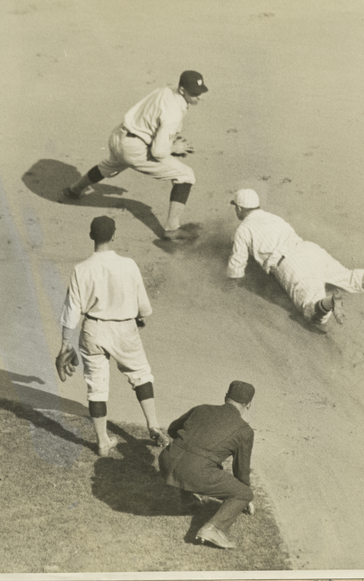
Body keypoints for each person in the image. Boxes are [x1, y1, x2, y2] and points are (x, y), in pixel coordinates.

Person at [226, 188, 364, 328]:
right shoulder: (273, 217)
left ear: (239, 208)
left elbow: (237, 266)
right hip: (309, 250)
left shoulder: (243, 229)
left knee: (312, 315)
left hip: (290, 265)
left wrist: (228, 288)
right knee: (349, 277)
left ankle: (331, 301)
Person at [58, 216, 169, 456]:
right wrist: (140, 316)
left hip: (93, 330)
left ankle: (102, 442)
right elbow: (144, 307)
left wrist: (65, 345)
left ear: (91, 236)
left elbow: (71, 312)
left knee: (96, 387)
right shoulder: (128, 264)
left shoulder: (81, 269)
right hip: (124, 327)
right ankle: (153, 425)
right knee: (140, 375)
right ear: (113, 236)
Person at [62, 71, 209, 241]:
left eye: (201, 92)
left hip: (118, 136)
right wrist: (174, 147)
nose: (199, 97)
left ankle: (74, 190)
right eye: (194, 93)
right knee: (186, 175)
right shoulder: (174, 113)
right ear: (182, 90)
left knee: (110, 165)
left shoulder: (166, 91)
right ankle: (172, 229)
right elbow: (158, 152)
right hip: (134, 149)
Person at [158, 381, 256, 550]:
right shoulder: (244, 430)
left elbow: (173, 430)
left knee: (203, 464)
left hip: (166, 461)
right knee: (244, 492)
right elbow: (241, 470)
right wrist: (243, 497)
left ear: (226, 397)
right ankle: (214, 529)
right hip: (193, 472)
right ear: (248, 405)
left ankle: (188, 498)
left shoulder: (201, 409)